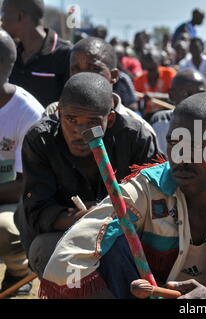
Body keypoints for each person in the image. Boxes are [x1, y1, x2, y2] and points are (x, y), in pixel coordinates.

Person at [39, 92, 206, 299]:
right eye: (174, 142)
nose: (181, 156)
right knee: (113, 245)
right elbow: (68, 257)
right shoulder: (144, 189)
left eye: (196, 145)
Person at [17, 73, 162, 279]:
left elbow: (157, 205)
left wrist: (108, 220)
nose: (79, 131)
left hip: (129, 237)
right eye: (71, 119)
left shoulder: (136, 138)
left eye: (92, 122)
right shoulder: (40, 140)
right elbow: (39, 212)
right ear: (59, 113)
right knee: (42, 248)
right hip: (68, 236)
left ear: (109, 119)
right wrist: (93, 218)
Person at [0, 29, 44, 296]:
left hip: (13, 201)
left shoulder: (28, 113)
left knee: (4, 229)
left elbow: (23, 186)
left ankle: (19, 272)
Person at [44, 37, 154, 136]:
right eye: (76, 69)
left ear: (114, 76)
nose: (84, 77)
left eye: (94, 69)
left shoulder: (139, 131)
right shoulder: (54, 114)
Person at [1, 0, 72, 107]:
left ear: (20, 16)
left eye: (4, 12)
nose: (1, 19)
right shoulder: (8, 54)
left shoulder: (66, 55)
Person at [150, 69, 206, 154]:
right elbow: (160, 162)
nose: (195, 99)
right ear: (172, 95)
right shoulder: (161, 121)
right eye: (188, 94)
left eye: (200, 93)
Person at [133, 50, 176, 116]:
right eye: (149, 69)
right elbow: (136, 101)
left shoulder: (170, 74)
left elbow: (175, 96)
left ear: (159, 62)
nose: (151, 72)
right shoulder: (139, 80)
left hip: (169, 112)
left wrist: (155, 95)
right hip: (149, 115)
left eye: (153, 68)